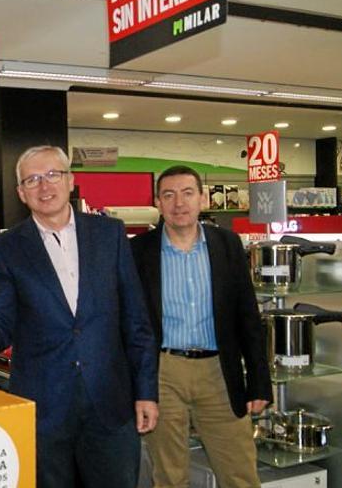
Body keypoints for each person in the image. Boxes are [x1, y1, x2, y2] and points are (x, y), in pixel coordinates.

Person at [0, 145, 158, 488]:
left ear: (71, 180)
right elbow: (1, 324)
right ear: (21, 192)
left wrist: (146, 392)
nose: (44, 186)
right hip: (44, 408)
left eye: (53, 175)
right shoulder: (7, 248)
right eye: (32, 180)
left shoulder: (110, 235)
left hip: (110, 403)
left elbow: (136, 321)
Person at [129, 165, 272, 487]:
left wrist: (260, 381)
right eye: (169, 195)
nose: (179, 203)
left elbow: (247, 315)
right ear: (158, 202)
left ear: (203, 199)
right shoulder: (138, 251)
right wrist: (138, 387)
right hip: (163, 372)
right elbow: (130, 323)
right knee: (169, 476)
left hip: (219, 372)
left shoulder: (228, 245)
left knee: (240, 472)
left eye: (187, 193)